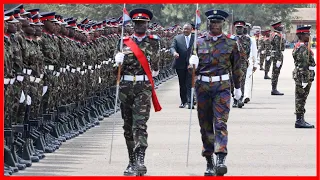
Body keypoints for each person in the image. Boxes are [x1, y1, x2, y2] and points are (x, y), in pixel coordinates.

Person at [189, 9, 243, 176]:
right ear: (208, 24)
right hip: (203, 87)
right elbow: (191, 71)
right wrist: (192, 64)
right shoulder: (198, 43)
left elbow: (237, 67)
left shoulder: (231, 43)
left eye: (219, 22)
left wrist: (238, 87)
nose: (216, 25)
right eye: (213, 22)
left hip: (222, 87)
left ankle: (220, 158)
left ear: (223, 24)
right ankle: (209, 161)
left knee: (220, 123)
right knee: (205, 125)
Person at [114, 8, 161, 176]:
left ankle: (140, 159)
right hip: (126, 87)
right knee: (128, 127)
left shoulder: (154, 41)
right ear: (133, 24)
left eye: (143, 23)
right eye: (137, 23)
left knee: (139, 124)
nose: (140, 26)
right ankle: (131, 161)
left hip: (143, 88)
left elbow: (156, 68)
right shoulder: (123, 42)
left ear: (148, 24)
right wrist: (117, 62)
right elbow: (115, 71)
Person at [292, 25, 315, 128]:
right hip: (302, 76)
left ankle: (300, 119)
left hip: (303, 75)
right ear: (301, 35)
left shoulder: (302, 46)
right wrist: (305, 79)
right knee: (300, 98)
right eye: (307, 34)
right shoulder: (301, 47)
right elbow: (302, 65)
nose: (309, 35)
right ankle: (299, 120)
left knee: (301, 98)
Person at [170, 23, 195, 109]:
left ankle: (190, 101)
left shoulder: (195, 38)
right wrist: (174, 53)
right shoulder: (177, 38)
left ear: (191, 29)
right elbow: (172, 47)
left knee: (190, 83)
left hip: (191, 65)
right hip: (180, 64)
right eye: (184, 29)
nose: (185, 30)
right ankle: (183, 101)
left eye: (187, 29)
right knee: (182, 83)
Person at [270, 21, 285, 95]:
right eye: (280, 26)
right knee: (275, 73)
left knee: (275, 72)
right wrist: (279, 59)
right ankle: (274, 89)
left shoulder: (275, 35)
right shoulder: (277, 36)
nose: (282, 27)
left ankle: (274, 88)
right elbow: (278, 48)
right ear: (277, 27)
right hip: (277, 55)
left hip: (276, 54)